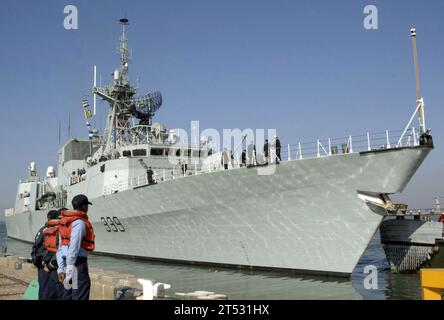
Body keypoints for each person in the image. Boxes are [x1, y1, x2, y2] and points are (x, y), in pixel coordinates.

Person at [57, 195, 95, 300]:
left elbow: (60, 248)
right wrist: (70, 269)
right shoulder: (79, 223)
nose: (87, 208)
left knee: (68, 295)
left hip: (66, 262)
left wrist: (61, 269)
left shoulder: (65, 222)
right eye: (87, 205)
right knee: (80, 294)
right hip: (76, 264)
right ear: (83, 206)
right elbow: (74, 248)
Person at [31, 210, 64, 300]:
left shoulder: (41, 230)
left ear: (48, 218)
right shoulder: (58, 230)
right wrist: (50, 264)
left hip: (41, 265)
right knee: (55, 291)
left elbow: (35, 246)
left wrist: (36, 261)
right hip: (52, 266)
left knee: (43, 290)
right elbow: (57, 249)